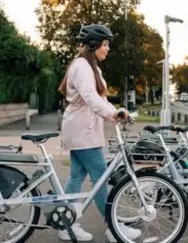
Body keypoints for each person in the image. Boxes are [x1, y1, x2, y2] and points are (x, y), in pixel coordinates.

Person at [58, 24, 142, 242]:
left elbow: (100, 98)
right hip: (83, 131)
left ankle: (66, 223)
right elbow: (90, 97)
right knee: (101, 178)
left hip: (81, 129)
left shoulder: (89, 66)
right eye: (105, 44)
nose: (107, 49)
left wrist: (117, 111)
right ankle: (113, 227)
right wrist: (113, 114)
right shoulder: (83, 66)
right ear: (94, 44)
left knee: (76, 177)